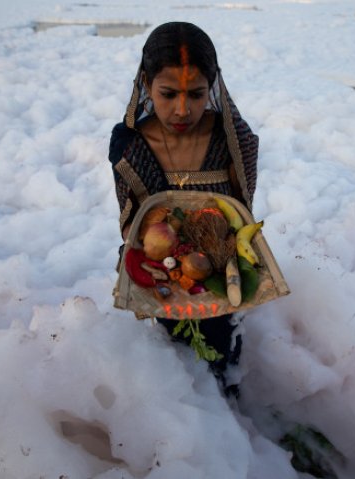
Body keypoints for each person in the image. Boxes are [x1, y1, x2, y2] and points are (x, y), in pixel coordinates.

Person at [108, 22, 259, 393]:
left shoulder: (234, 141)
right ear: (146, 85)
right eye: (168, 93)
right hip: (162, 277)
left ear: (213, 88)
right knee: (173, 374)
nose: (182, 109)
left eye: (196, 94)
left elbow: (241, 214)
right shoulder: (130, 146)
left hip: (221, 278)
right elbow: (133, 225)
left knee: (224, 368)